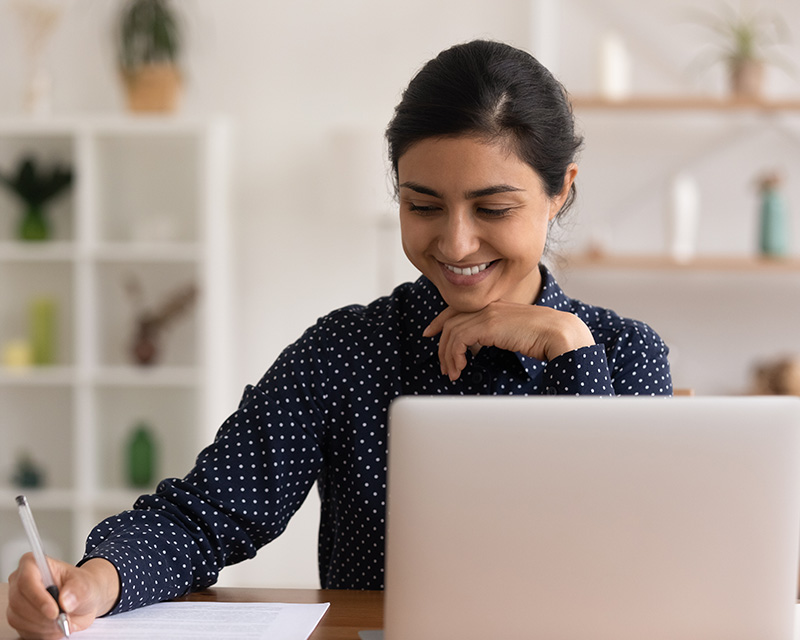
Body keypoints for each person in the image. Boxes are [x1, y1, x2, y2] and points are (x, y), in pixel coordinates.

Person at [7, 39, 672, 639]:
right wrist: (97, 579)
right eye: (422, 205)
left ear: (560, 194)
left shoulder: (624, 354)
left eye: (493, 209)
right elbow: (207, 513)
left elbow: (635, 565)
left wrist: (573, 355)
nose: (455, 242)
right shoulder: (350, 349)